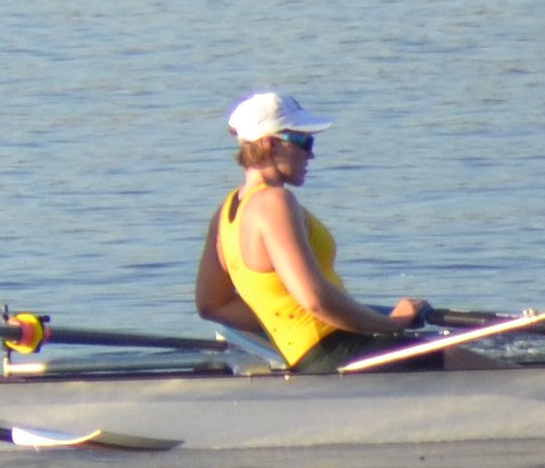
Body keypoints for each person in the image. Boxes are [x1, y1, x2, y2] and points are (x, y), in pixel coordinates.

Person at [195, 93, 454, 370]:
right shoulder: (274, 203)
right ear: (270, 144)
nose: (311, 154)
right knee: (475, 364)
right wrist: (392, 323)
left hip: (306, 358)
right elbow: (315, 300)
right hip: (339, 350)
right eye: (304, 142)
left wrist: (284, 318)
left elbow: (212, 306)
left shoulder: (223, 216)